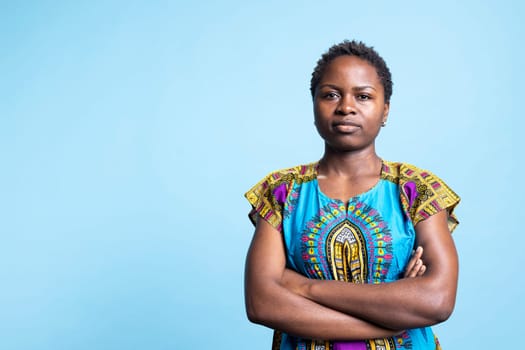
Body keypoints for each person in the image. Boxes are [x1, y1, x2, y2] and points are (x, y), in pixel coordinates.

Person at [244, 40, 460, 350]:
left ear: (385, 110)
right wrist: (394, 315)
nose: (346, 106)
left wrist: (304, 287)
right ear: (314, 104)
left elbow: (437, 301)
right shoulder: (282, 191)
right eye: (331, 95)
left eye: (363, 96)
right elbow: (261, 303)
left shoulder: (417, 189)